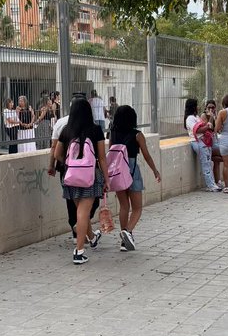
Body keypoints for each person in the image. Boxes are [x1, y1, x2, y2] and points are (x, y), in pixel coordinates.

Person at [51, 99, 109, 264]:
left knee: (80, 212)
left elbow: (57, 155)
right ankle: (79, 251)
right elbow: (102, 158)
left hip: (70, 176)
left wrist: (70, 165)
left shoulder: (67, 131)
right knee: (83, 213)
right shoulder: (96, 130)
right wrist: (106, 178)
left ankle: (91, 236)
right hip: (90, 176)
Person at [108, 104, 162, 251]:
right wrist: (155, 171)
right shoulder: (138, 135)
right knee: (137, 208)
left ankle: (124, 242)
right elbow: (146, 155)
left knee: (124, 206)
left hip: (118, 172)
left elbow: (110, 153)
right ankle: (128, 232)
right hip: (132, 171)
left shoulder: (113, 134)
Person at [184, 98, 222, 192]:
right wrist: (207, 126)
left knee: (208, 163)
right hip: (198, 142)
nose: (198, 107)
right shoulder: (190, 118)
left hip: (204, 141)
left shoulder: (196, 117)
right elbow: (197, 130)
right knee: (206, 164)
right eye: (196, 105)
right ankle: (210, 185)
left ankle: (212, 183)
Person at [205, 99, 223, 184]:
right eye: (209, 107)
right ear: (206, 108)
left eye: (213, 107)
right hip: (209, 142)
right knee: (223, 156)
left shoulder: (216, 116)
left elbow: (217, 130)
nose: (211, 109)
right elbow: (208, 128)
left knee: (217, 162)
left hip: (215, 140)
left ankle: (218, 181)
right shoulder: (203, 116)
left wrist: (215, 118)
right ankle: (216, 181)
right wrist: (211, 117)